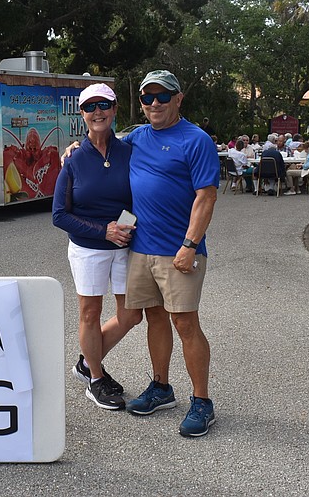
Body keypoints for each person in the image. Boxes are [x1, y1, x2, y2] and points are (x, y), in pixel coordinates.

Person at [120, 70, 219, 437]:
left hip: (179, 252)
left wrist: (189, 246)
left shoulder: (196, 140)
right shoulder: (136, 137)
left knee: (186, 324)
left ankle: (202, 401)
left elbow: (206, 197)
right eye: (148, 98)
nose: (155, 104)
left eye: (163, 96)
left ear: (179, 98)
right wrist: (75, 147)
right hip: (140, 249)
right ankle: (161, 387)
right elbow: (102, 145)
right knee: (155, 319)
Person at [52, 83, 142, 411]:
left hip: (124, 246)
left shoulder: (130, 151)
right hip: (88, 249)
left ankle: (87, 362)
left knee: (131, 315)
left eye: (104, 105)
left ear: (115, 109)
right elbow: (60, 215)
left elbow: (139, 199)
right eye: (90, 107)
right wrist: (103, 231)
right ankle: (96, 379)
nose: (97, 112)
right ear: (82, 115)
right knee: (90, 313)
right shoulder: (75, 159)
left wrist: (123, 228)